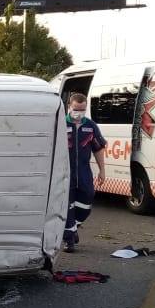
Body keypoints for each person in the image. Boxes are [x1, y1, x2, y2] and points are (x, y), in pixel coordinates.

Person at [64, 93, 107, 253]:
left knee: (87, 200)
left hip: (83, 172)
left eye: (82, 110)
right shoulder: (60, 124)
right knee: (67, 206)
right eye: (76, 109)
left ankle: (73, 228)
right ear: (69, 107)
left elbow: (98, 148)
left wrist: (102, 170)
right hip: (64, 174)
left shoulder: (90, 126)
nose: (79, 112)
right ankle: (69, 240)